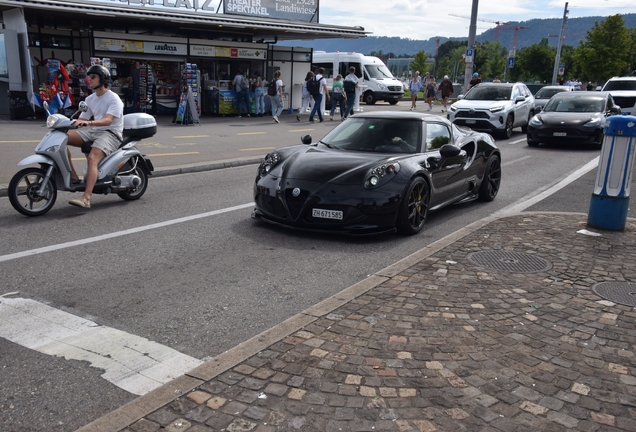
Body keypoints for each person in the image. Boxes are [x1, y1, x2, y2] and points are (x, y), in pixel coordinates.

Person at [67, 65, 124, 209]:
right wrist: (65, 123)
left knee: (92, 158)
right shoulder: (90, 99)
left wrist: (89, 122)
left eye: (93, 77)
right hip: (95, 131)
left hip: (111, 133)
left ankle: (86, 198)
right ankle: (73, 176)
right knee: (61, 138)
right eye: (88, 76)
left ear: (102, 79)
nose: (89, 79)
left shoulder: (113, 98)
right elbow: (82, 119)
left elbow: (108, 120)